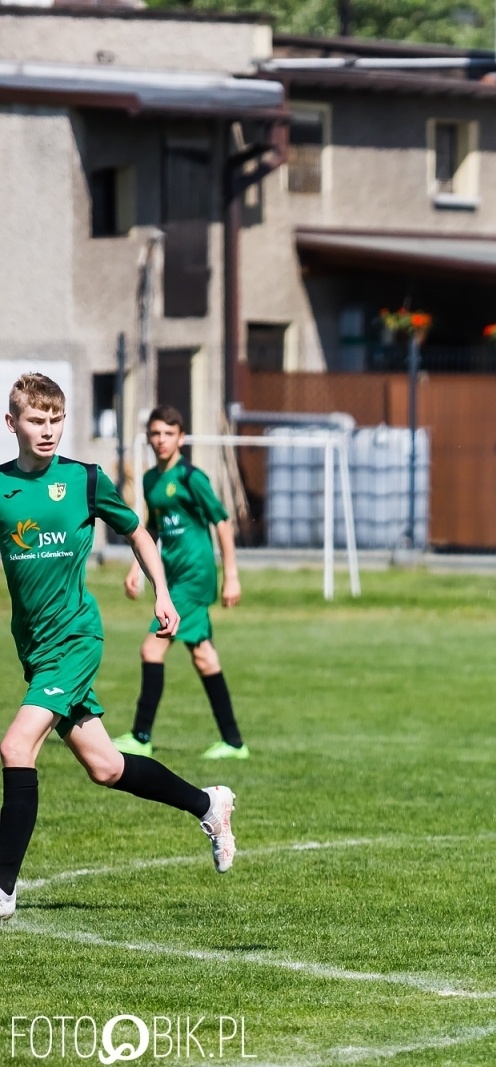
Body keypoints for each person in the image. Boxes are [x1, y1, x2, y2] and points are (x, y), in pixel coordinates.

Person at [0, 374, 236, 922]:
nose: (48, 430)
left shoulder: (84, 480)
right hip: (35, 649)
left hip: (75, 640)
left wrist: (162, 593)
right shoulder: (2, 486)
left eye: (56, 420)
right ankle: (209, 804)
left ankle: (3, 889)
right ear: (11, 423)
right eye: (36, 420)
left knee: (15, 747)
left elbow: (137, 532)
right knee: (105, 767)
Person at [112, 406, 247, 759]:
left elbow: (222, 522)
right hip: (173, 578)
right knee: (204, 657)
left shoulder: (191, 477)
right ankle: (234, 743)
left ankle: (141, 736)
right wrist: (136, 568)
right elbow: (153, 528)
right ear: (148, 437)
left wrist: (231, 575)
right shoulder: (149, 480)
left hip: (194, 577)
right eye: (156, 433)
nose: (161, 440)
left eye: (168, 434)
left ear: (181, 438)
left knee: (151, 649)